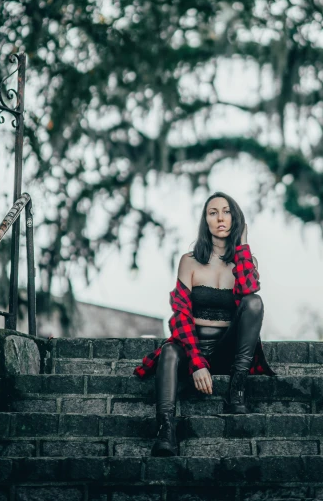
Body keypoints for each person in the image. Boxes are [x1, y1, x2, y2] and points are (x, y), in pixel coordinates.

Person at [133, 191, 275, 457]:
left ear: (236, 218)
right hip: (193, 346)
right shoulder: (189, 262)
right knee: (169, 350)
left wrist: (243, 246)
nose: (220, 218)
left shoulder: (246, 261)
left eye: (226, 211)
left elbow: (248, 289)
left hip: (228, 350)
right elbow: (180, 315)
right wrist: (197, 363)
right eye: (213, 212)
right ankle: (166, 431)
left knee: (254, 302)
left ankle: (238, 386)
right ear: (205, 221)